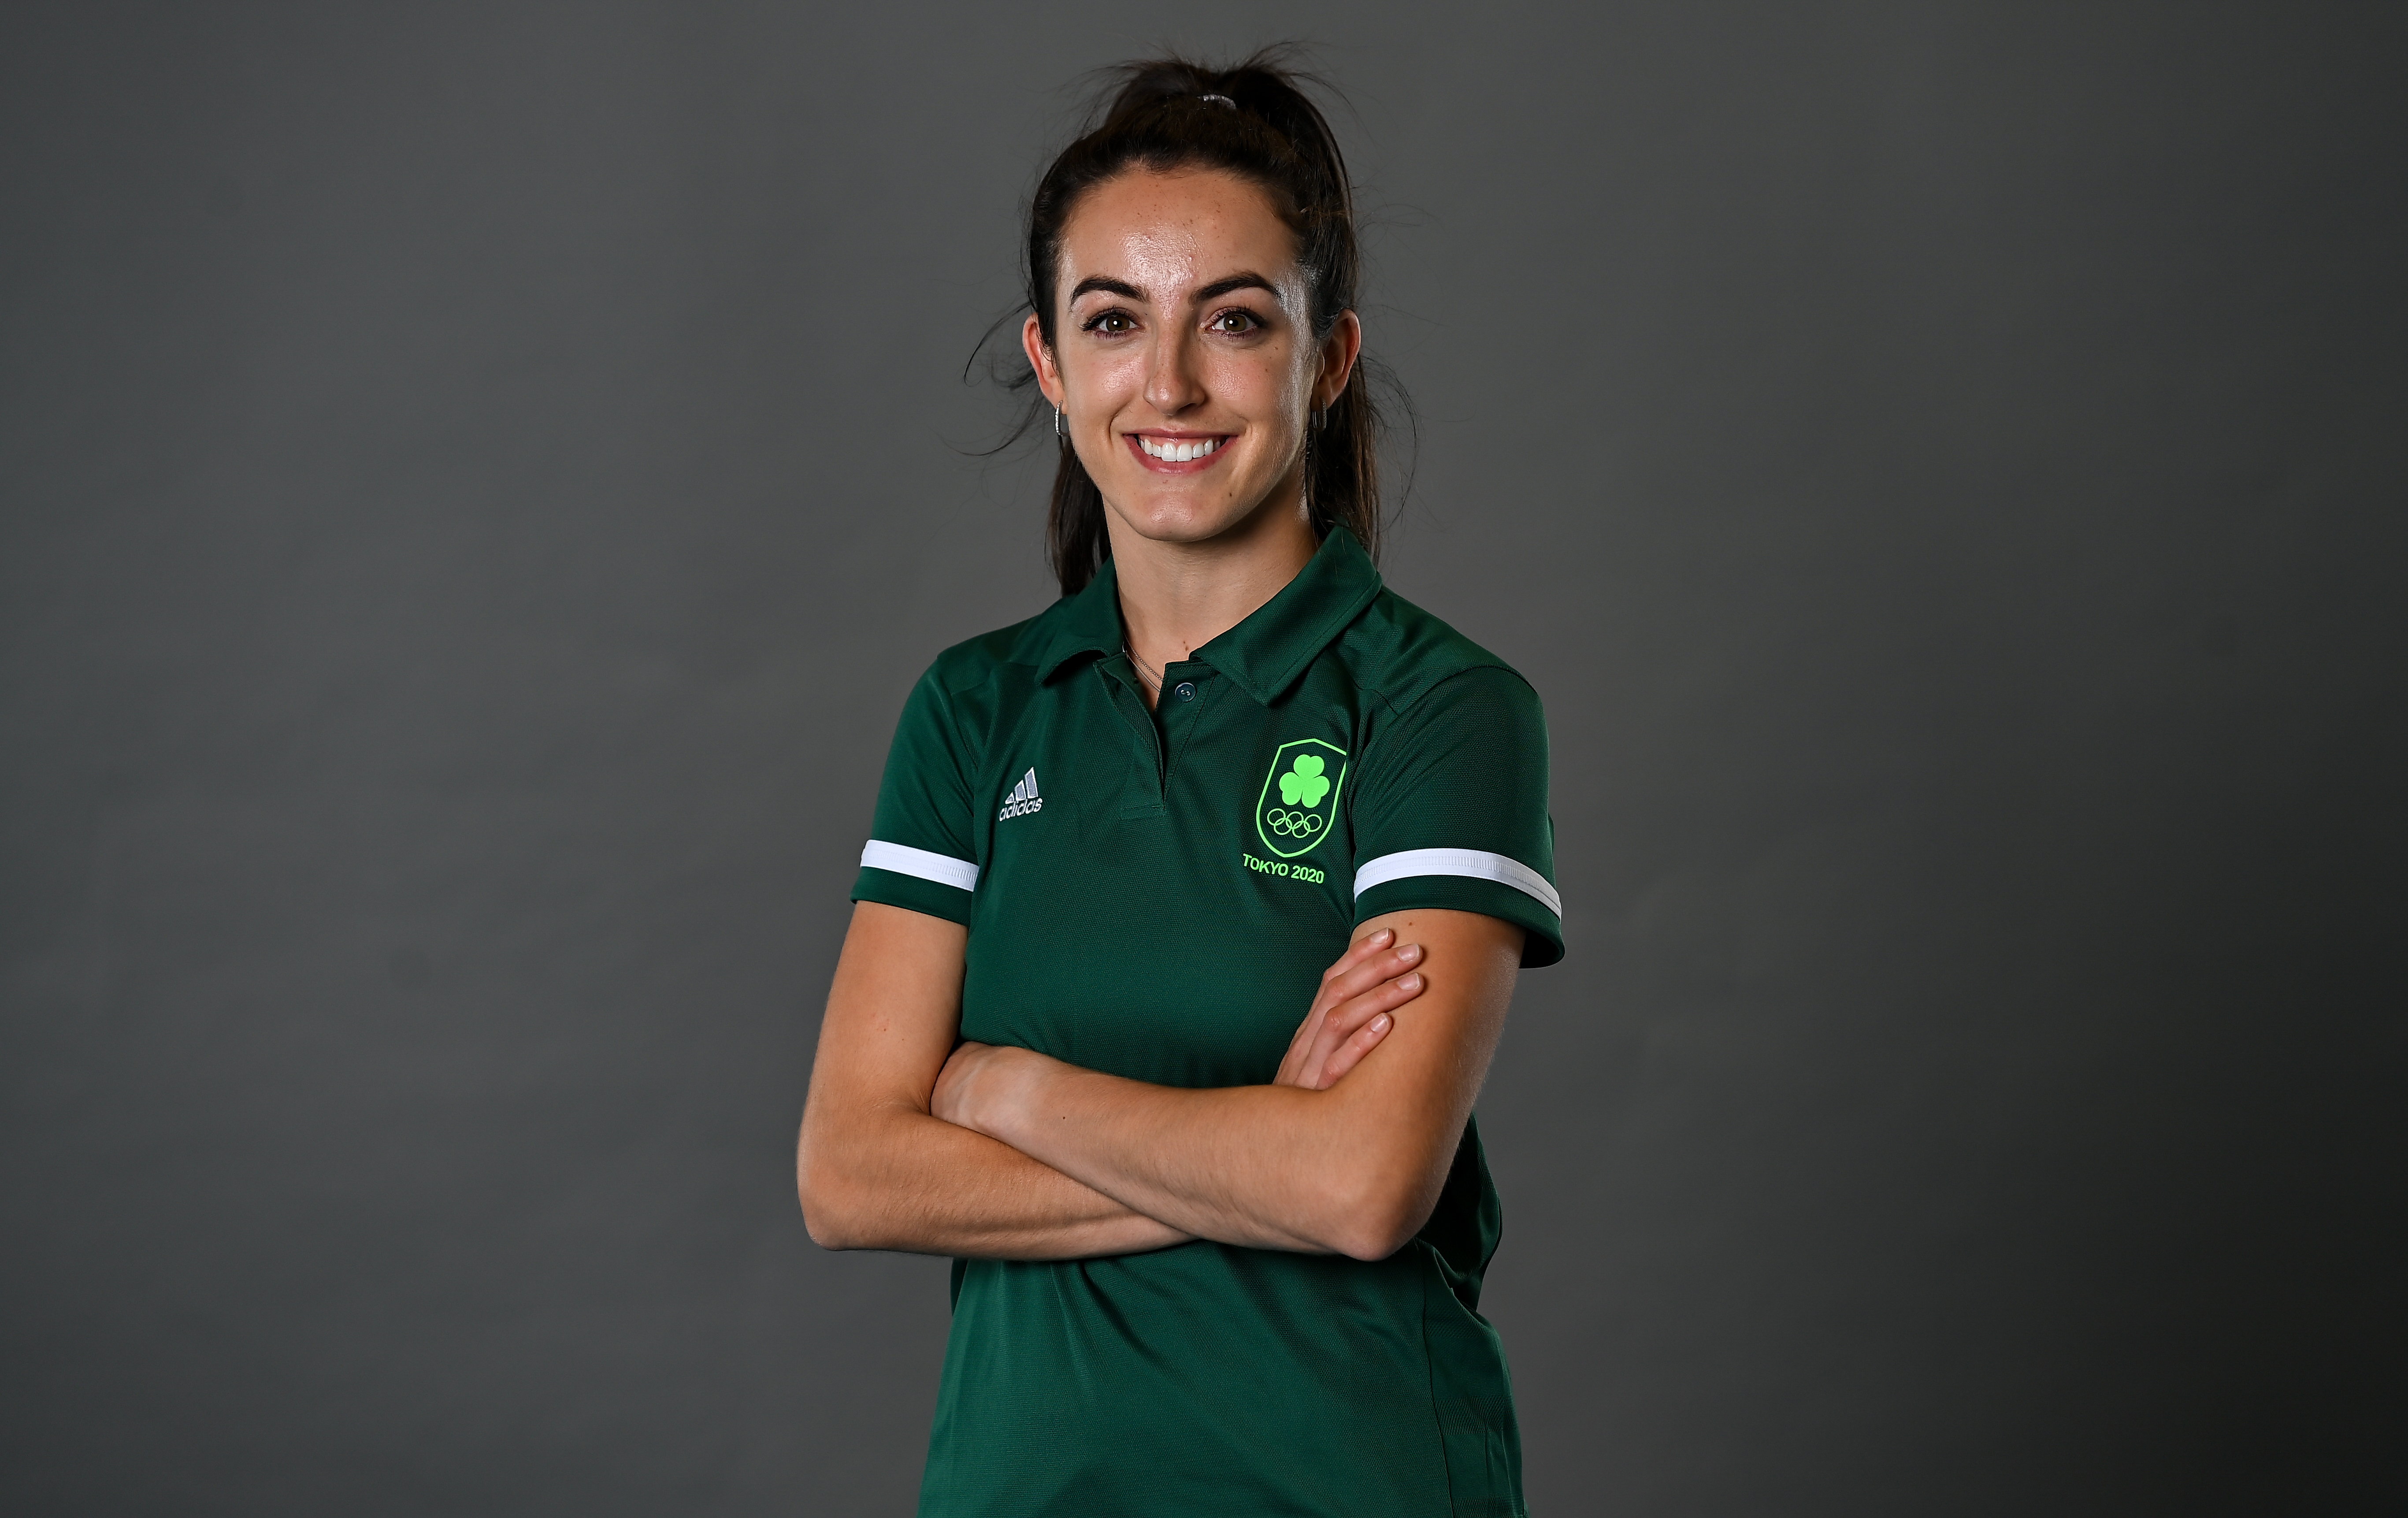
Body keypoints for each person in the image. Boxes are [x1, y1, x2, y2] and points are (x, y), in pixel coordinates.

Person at [796, 52, 1562, 1518]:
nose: (1168, 384)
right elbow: (850, 1175)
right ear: (1049, 362)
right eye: (1113, 321)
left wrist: (1000, 1087)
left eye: (1233, 319)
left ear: (1325, 358)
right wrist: (1256, 1136)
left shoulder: (1441, 707)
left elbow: (1360, 1188)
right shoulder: (976, 711)